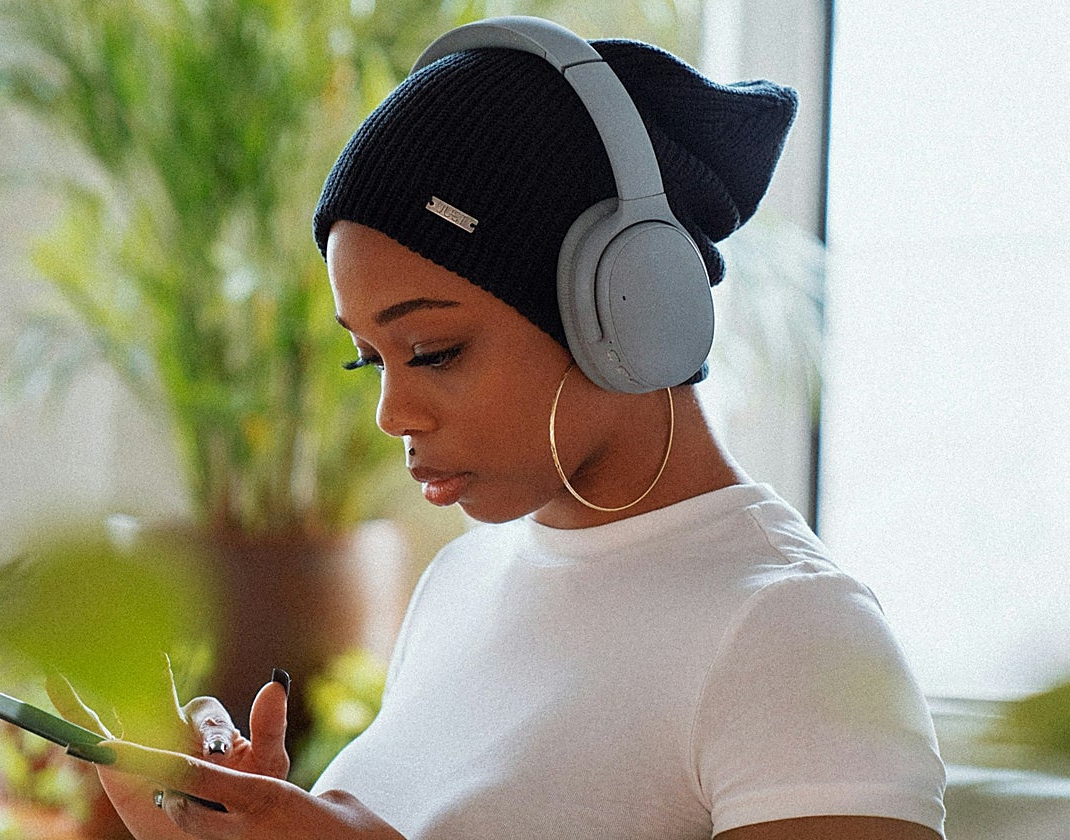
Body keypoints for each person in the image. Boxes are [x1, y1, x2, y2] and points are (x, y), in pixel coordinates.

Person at [49, 16, 947, 840]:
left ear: (627, 308)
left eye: (432, 349)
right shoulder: (463, 582)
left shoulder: (790, 632)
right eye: (369, 358)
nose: (391, 413)